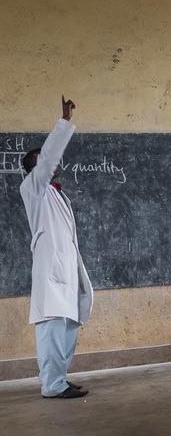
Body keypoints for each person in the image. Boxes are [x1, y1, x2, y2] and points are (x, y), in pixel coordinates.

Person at [20, 96, 93, 399]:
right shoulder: (33, 188)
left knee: (67, 327)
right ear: (36, 167)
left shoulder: (53, 193)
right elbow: (48, 157)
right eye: (46, 160)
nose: (55, 162)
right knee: (52, 330)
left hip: (64, 268)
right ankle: (51, 385)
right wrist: (64, 122)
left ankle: (59, 378)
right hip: (51, 271)